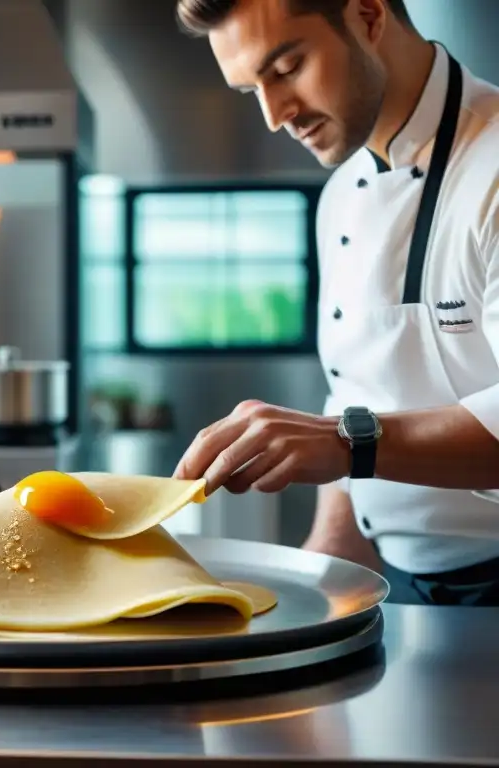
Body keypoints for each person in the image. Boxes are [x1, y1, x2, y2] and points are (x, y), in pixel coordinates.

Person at [170, 0, 499, 605]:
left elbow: (350, 426)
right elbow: (358, 386)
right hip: (398, 588)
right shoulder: (342, 194)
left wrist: (343, 442)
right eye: (252, 91)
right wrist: (329, 547)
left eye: (287, 67)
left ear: (368, 17)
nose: (274, 115)